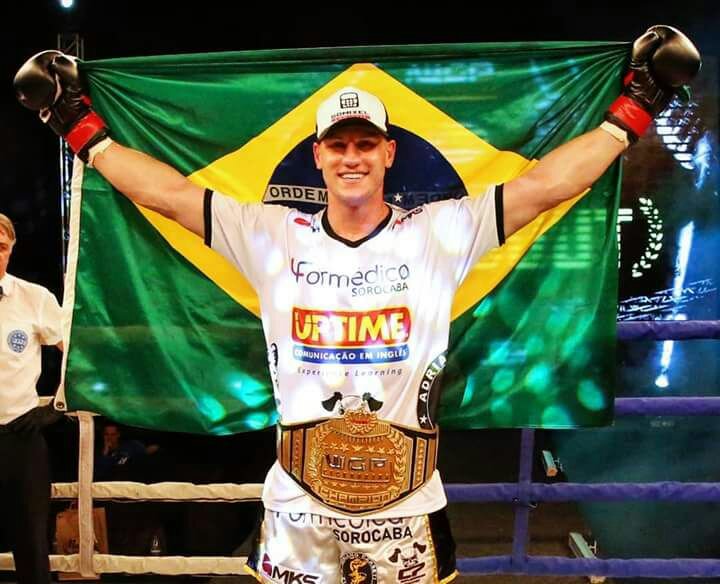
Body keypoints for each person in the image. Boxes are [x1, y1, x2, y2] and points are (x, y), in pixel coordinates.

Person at [13, 26, 700, 583]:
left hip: (407, 505)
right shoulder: (269, 232)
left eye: (365, 143)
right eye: (338, 144)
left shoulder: (440, 232)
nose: (352, 157)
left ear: (388, 153)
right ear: (317, 156)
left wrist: (635, 109)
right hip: (299, 505)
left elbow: (545, 186)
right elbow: (165, 193)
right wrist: (76, 125)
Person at [0, 213, 64, 584]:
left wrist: (58, 406)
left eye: (1, 247)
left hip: (21, 437)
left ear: (11, 250)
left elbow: (77, 357)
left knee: (32, 546)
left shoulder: (34, 298)